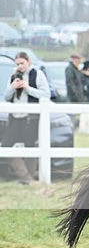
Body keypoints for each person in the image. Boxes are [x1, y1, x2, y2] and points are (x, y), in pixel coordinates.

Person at [2, 52, 50, 184]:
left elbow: (46, 94)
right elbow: (6, 97)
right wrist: (13, 87)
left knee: (30, 147)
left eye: (22, 63)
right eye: (17, 64)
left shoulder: (37, 74)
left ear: (28, 61)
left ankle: (27, 180)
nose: (20, 66)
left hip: (30, 117)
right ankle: (26, 178)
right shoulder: (13, 76)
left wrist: (28, 88)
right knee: (6, 146)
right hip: (14, 117)